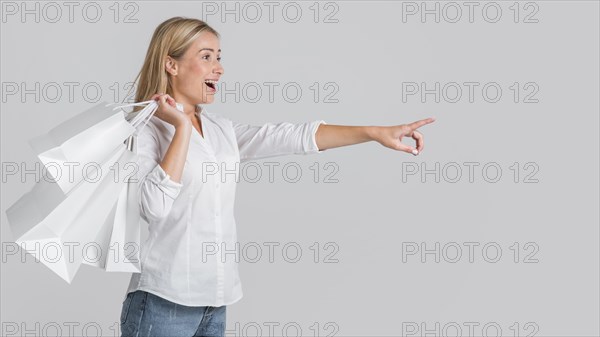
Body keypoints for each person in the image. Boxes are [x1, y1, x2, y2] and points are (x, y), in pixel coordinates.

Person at [119, 16, 435, 337]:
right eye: (206, 57)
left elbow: (290, 136)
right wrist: (182, 128)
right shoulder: (144, 130)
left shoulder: (220, 130)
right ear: (171, 65)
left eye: (219, 56)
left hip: (216, 299)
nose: (219, 67)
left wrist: (374, 132)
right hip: (164, 300)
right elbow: (154, 208)